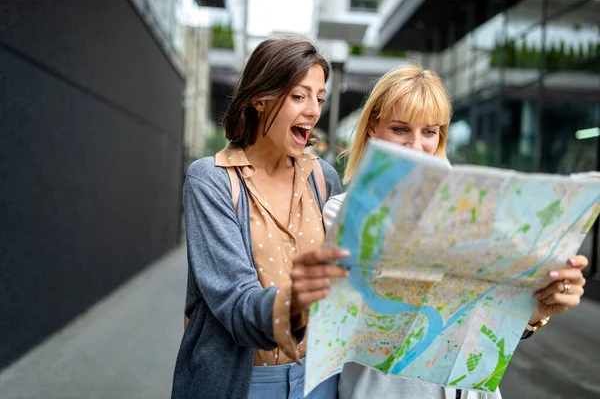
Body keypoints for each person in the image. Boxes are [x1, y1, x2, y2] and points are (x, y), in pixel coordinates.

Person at [291, 63, 589, 399]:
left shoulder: (476, 210)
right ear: (373, 128)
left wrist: (540, 307)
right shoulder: (341, 213)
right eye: (401, 129)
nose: (416, 146)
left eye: (429, 132)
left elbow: (489, 321)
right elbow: (336, 327)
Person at [171, 36, 349, 399]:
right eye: (299, 96)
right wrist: (294, 303)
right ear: (260, 98)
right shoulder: (212, 179)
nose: (313, 110)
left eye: (319, 97)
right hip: (244, 386)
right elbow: (235, 302)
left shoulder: (322, 178)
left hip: (320, 381)